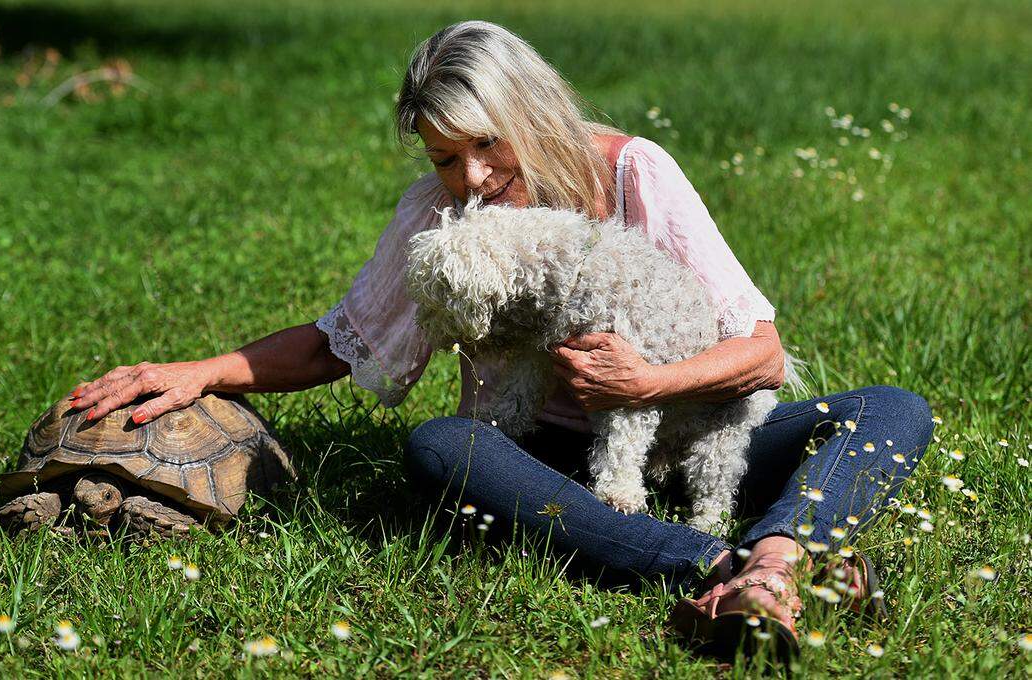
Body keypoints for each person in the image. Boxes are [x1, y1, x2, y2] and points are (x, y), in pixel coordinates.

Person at [69, 20, 934, 657]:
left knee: (891, 411)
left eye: (487, 144)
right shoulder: (440, 219)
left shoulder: (634, 173)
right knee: (443, 449)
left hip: (698, 428)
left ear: (531, 110)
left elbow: (763, 353)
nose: (473, 178)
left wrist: (644, 389)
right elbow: (343, 341)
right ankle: (723, 563)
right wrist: (197, 371)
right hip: (545, 456)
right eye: (446, 158)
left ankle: (773, 556)